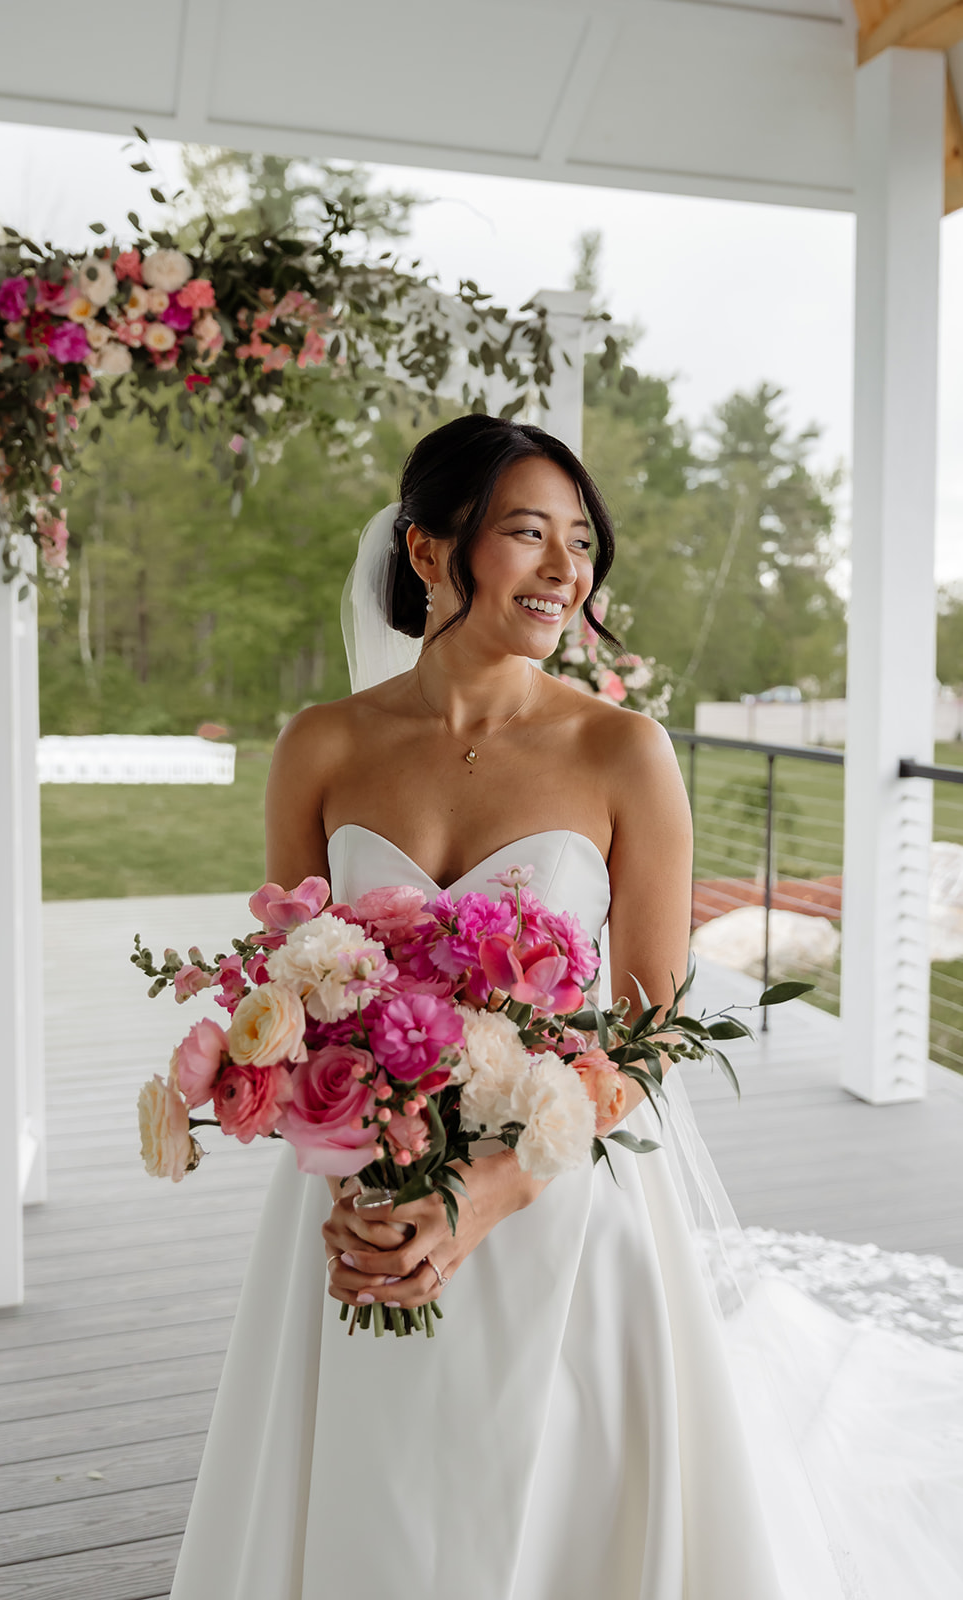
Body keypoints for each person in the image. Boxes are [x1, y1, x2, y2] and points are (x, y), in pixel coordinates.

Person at [169, 415, 960, 1600]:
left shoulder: (622, 750)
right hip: (356, 1205)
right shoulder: (321, 745)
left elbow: (649, 1026)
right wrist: (359, 1190)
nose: (563, 571)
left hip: (560, 1195)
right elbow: (288, 990)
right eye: (525, 534)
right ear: (431, 551)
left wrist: (490, 1191)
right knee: (367, 1499)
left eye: (579, 542)